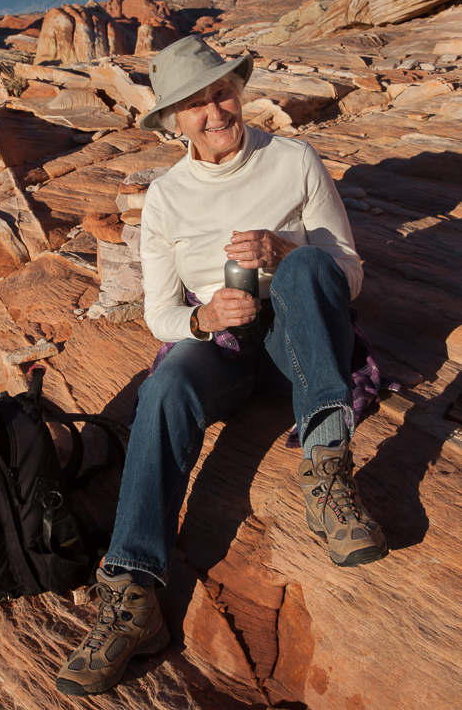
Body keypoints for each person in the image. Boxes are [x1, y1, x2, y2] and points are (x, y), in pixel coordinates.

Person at [56, 35, 387, 697]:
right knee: (168, 381)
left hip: (304, 339)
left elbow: (345, 272)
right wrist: (204, 320)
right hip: (226, 351)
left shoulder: (293, 159)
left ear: (238, 91)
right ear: (173, 121)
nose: (215, 111)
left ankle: (326, 477)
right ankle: (132, 593)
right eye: (195, 103)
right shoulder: (167, 198)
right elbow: (160, 315)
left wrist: (284, 248)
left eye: (222, 93)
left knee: (309, 265)